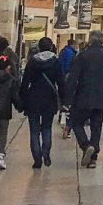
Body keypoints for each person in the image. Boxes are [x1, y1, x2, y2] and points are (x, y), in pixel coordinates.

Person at [64, 30, 103, 168]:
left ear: (90, 40)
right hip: (101, 97)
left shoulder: (82, 56)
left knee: (76, 123)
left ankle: (85, 145)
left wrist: (66, 99)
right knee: (96, 126)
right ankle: (93, 158)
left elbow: (72, 78)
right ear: (102, 40)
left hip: (83, 97)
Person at [20, 37, 63, 169]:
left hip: (33, 98)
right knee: (46, 127)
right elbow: (61, 82)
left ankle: (37, 158)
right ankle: (46, 152)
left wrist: (22, 99)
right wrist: (64, 99)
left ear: (39, 47)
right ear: (51, 47)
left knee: (34, 131)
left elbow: (25, 82)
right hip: (49, 99)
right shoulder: (55, 62)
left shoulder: (33, 61)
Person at [57, 38, 77, 139]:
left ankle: (62, 117)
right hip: (68, 76)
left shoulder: (63, 51)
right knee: (70, 101)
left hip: (63, 77)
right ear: (73, 45)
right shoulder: (70, 53)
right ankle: (67, 125)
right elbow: (69, 65)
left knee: (65, 99)